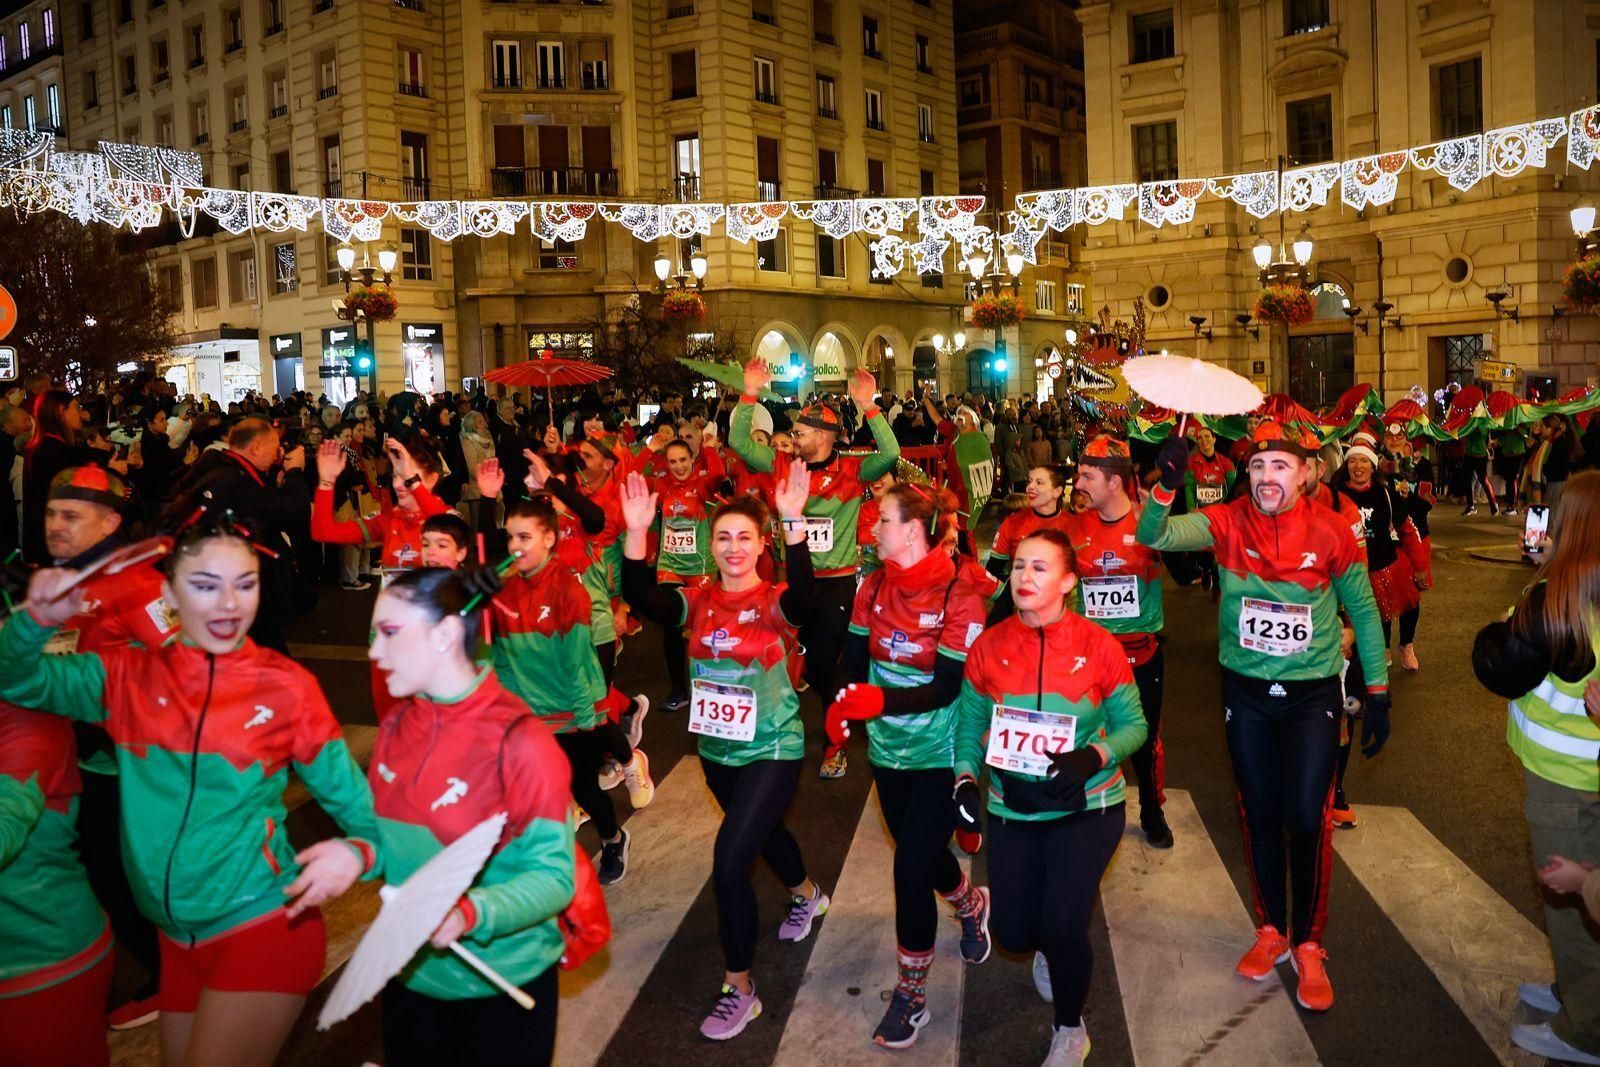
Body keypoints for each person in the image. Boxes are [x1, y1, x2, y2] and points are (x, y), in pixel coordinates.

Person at [0, 514, 380, 1067]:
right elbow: (16, 680)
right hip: (176, 942)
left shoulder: (287, 689)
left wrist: (358, 851)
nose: (229, 604)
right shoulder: (125, 678)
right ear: (170, 594)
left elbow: (367, 817)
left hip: (263, 928)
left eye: (245, 585)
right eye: (205, 585)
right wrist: (34, 619)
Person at [1140, 420, 1390, 1012]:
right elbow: (1153, 536)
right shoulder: (1226, 521)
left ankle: (1309, 943)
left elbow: (1364, 609)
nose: (1266, 477)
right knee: (1259, 814)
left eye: (1280, 466)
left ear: (1306, 473)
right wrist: (1164, 485)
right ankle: (1272, 930)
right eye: (1257, 467)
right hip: (1246, 692)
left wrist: (1377, 690)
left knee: (1306, 817)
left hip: (1311, 697)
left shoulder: (1332, 531)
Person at [620, 460, 832, 1041]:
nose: (734, 548)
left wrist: (793, 522)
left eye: (744, 537)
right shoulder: (696, 601)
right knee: (762, 834)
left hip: (774, 747)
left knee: (730, 861)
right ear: (710, 546)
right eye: (723, 537)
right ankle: (807, 895)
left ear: (761, 544)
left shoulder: (777, 601)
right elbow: (639, 595)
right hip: (716, 749)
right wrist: (637, 534)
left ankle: (739, 989)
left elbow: (809, 598)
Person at [366, 567, 576, 1067]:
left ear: (445, 634)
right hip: (409, 976)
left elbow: (554, 877)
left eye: (389, 633)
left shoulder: (522, 742)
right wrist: (353, 853)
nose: (374, 652)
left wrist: (469, 912)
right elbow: (387, 840)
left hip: (502, 985)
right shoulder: (396, 724)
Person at [953, 528, 1147, 1067]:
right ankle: (1043, 944)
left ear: (1067, 582)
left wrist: (1094, 756)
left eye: (1040, 568)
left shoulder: (1097, 646)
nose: (1023, 577)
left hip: (1089, 807)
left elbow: (1135, 724)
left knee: (1064, 925)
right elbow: (968, 726)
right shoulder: (989, 647)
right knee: (1015, 933)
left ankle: (1070, 1028)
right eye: (1018, 566)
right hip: (1013, 807)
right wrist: (966, 779)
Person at [824, 481, 992, 1049]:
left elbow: (947, 688)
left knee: (907, 870)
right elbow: (851, 657)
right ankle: (970, 903)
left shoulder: (959, 595)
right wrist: (841, 706)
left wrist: (882, 701)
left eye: (882, 522)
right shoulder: (872, 584)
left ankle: (911, 995)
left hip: (942, 753)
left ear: (913, 531)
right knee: (918, 859)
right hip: (887, 750)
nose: (871, 530)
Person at [1472, 470, 1600, 1066]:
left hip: (1563, 778)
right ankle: (1573, 992)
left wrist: (1527, 594)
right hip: (1586, 774)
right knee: (1576, 901)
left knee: (1573, 901)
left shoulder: (1561, 597)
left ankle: (1585, 1030)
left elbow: (1500, 665)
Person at [730, 358, 900, 781]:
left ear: (823, 436)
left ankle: (835, 743)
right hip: (794, 582)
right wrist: (749, 393)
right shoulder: (783, 465)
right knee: (781, 663)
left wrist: (870, 405)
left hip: (837, 585)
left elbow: (892, 453)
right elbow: (739, 443)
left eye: (801, 432)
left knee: (825, 666)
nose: (793, 437)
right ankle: (780, 735)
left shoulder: (854, 469)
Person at [490, 496, 652, 885]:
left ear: (549, 538)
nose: (516, 546)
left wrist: (585, 722)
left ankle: (613, 837)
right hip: (532, 712)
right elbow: (502, 658)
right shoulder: (503, 589)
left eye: (525, 536)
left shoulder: (568, 591)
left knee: (584, 786)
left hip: (572, 710)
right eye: (511, 536)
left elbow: (577, 664)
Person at [1065, 436, 1173, 848]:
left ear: (1114, 482)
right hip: (1091, 657)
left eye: (1087, 475)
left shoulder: (1148, 524)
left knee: (1144, 739)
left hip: (1142, 656)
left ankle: (1151, 809)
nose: (1078, 483)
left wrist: (1162, 513)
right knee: (1088, 735)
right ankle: (1090, 808)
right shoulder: (1074, 526)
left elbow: (1187, 565)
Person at [165, 416, 310, 652]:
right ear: (256, 447)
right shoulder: (237, 484)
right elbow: (294, 513)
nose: (278, 455)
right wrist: (294, 473)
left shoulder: (215, 468)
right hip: (235, 592)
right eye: (275, 448)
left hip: (211, 586)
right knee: (263, 660)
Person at [986, 464, 1072, 618]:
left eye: (1039, 483)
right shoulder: (1013, 523)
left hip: (1065, 610)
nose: (1030, 487)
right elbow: (993, 570)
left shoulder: (1073, 525)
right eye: (1030, 481)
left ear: (1057, 491)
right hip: (1022, 610)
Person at [1186, 426, 1235, 595]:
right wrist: (1192, 510)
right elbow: (1189, 488)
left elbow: (1232, 489)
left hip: (1220, 515)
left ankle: (1217, 580)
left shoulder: (1226, 464)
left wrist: (1226, 510)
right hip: (1200, 514)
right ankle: (1206, 571)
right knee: (1202, 550)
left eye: (1207, 436)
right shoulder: (1192, 462)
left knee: (1218, 550)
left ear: (1214, 439)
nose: (1203, 440)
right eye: (1199, 438)